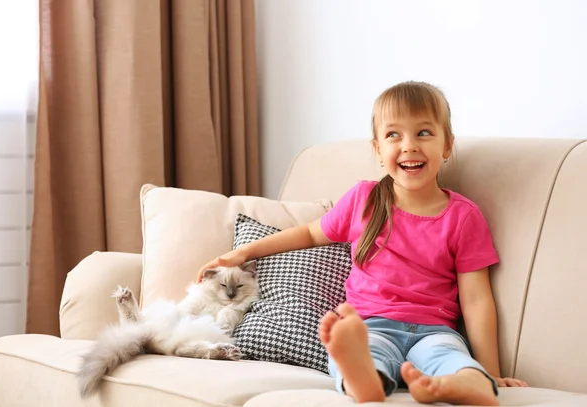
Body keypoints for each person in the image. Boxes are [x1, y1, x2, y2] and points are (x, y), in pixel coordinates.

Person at [196, 81, 528, 406]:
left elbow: (476, 299)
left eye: (424, 133)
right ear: (378, 151)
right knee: (362, 353)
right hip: (371, 325)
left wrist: (491, 372)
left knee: (451, 358)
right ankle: (365, 381)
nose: (409, 145)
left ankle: (468, 385)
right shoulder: (364, 199)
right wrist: (244, 252)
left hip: (434, 330)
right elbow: (310, 233)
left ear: (447, 146)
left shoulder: (463, 216)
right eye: (394, 134)